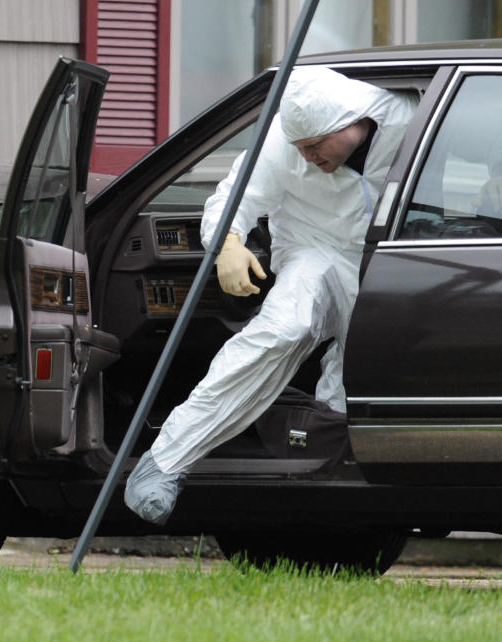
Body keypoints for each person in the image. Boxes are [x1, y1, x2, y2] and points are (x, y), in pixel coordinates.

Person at [124, 66, 418, 524]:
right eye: (298, 147)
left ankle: (349, 495)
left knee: (361, 372)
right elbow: (233, 198)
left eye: (314, 146)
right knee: (282, 330)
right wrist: (228, 244)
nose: (305, 157)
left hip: (390, 264)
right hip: (315, 252)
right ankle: (164, 462)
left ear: (349, 123)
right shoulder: (281, 145)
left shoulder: (412, 121)